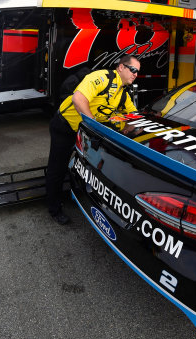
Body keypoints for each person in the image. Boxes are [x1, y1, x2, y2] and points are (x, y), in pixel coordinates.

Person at [45, 55, 139, 225]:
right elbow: (78, 99)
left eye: (137, 72)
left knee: (83, 165)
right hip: (64, 126)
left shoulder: (122, 93)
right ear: (121, 67)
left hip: (83, 130)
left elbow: (135, 118)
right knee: (57, 168)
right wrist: (95, 127)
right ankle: (54, 209)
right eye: (133, 70)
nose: (135, 74)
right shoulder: (102, 77)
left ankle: (75, 195)